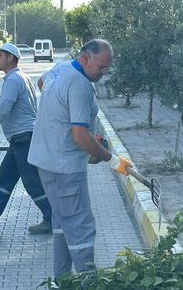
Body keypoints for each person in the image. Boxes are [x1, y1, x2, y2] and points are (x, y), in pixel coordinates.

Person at [28, 39, 131, 281]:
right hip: (64, 167)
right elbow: (80, 136)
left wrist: (60, 117)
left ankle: (62, 280)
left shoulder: (61, 68)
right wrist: (111, 159)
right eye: (101, 67)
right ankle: (89, 281)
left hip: (46, 161)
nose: (103, 73)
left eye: (107, 68)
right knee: (80, 226)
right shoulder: (81, 85)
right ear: (85, 58)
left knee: (63, 223)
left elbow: (42, 83)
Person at [0, 43, 53, 235]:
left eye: (0, 55)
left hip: (24, 138)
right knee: (5, 176)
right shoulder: (20, 77)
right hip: (20, 139)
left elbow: (4, 108)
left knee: (31, 182)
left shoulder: (14, 80)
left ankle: (52, 218)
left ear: (11, 58)